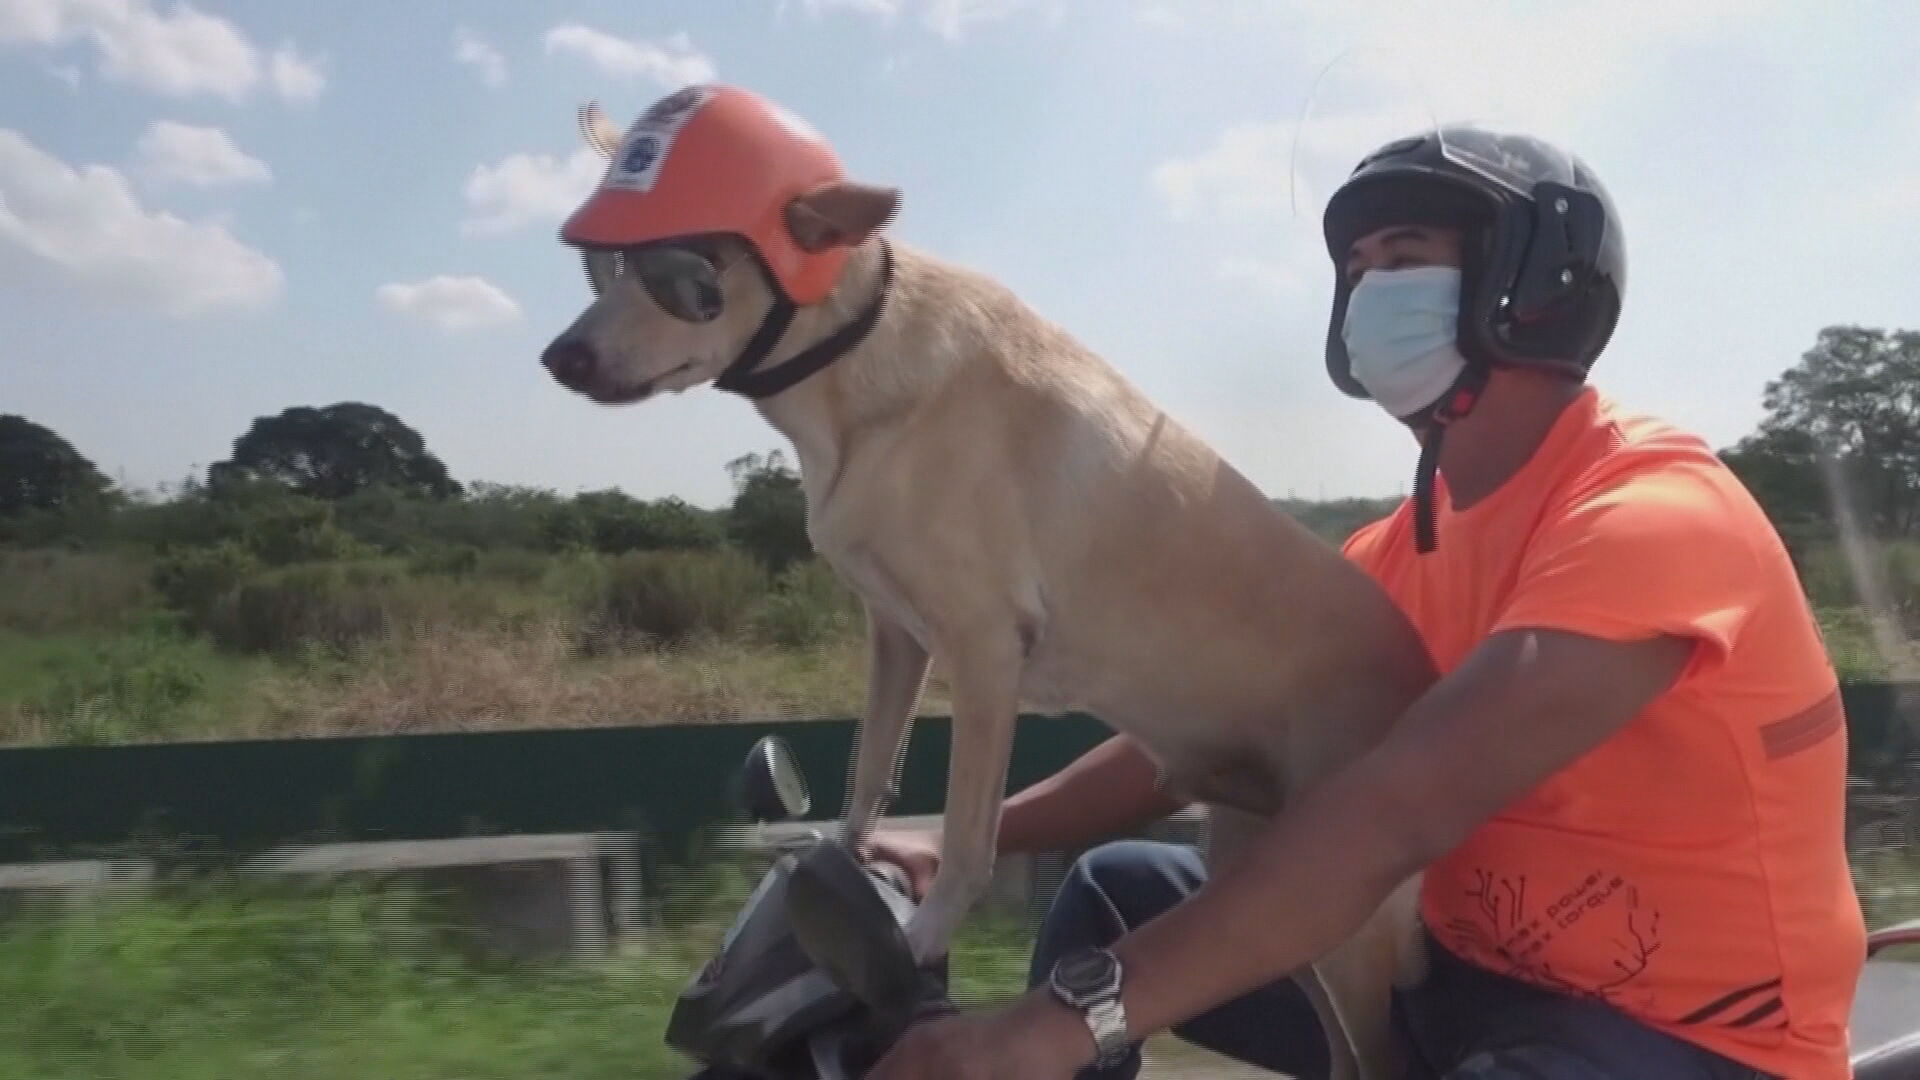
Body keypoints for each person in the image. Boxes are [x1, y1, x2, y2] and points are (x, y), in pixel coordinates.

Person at [862, 124, 1869, 1080]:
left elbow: (1396, 811)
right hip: (1457, 983)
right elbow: (1188, 743)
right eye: (1358, 271)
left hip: (1689, 1044)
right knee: (1110, 899)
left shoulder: (1655, 518)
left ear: (1532, 282)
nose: (1369, 291)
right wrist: (963, 839)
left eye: (1405, 257)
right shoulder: (1398, 547)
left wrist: (1053, 1026)